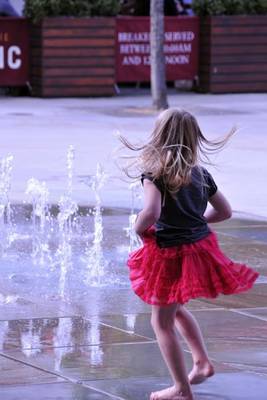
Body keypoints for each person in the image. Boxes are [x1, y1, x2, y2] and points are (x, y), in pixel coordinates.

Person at [121, 108, 259, 400]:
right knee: (176, 307)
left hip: (170, 252)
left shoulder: (155, 174)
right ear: (194, 139)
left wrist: (138, 227)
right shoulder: (201, 174)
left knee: (161, 322)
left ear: (158, 137)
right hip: (198, 248)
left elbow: (151, 211)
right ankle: (202, 363)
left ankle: (182, 389)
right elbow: (225, 211)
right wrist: (197, 223)